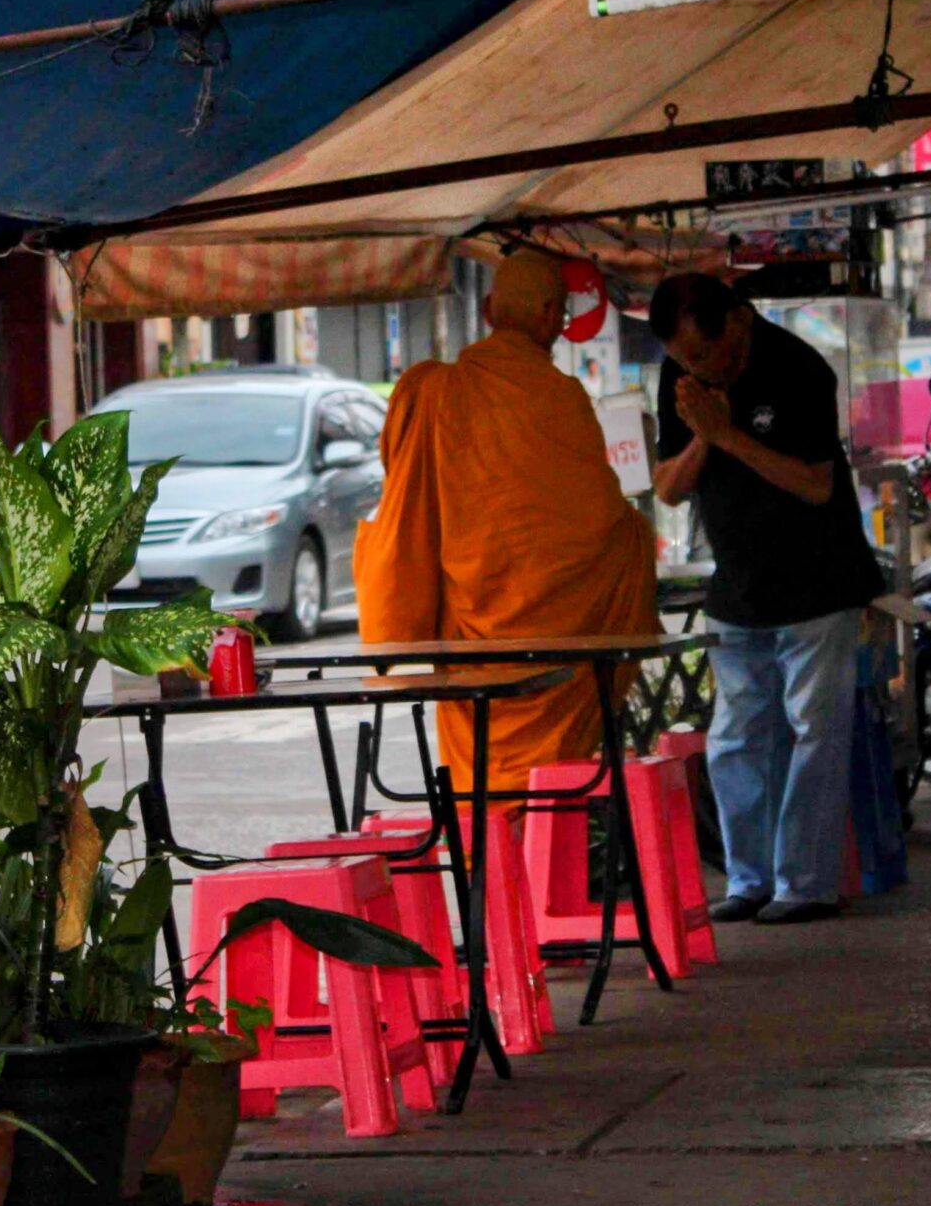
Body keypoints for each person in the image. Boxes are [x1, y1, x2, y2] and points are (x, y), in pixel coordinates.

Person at [353, 250, 658, 799]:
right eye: (561, 315)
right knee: (633, 537)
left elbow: (403, 485)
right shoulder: (563, 398)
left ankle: (488, 876)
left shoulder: (436, 393)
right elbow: (603, 521)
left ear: (490, 310)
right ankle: (542, 869)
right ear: (549, 315)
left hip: (475, 646)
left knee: (480, 796)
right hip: (562, 650)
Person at [651, 274, 882, 925]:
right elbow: (667, 487)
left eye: (702, 354)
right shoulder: (687, 387)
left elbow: (813, 483)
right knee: (734, 738)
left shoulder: (798, 367)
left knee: (814, 733)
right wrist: (702, 433)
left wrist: (728, 438)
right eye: (682, 361)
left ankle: (804, 883)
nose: (695, 369)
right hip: (738, 590)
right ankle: (748, 878)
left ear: (736, 323)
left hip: (817, 586)